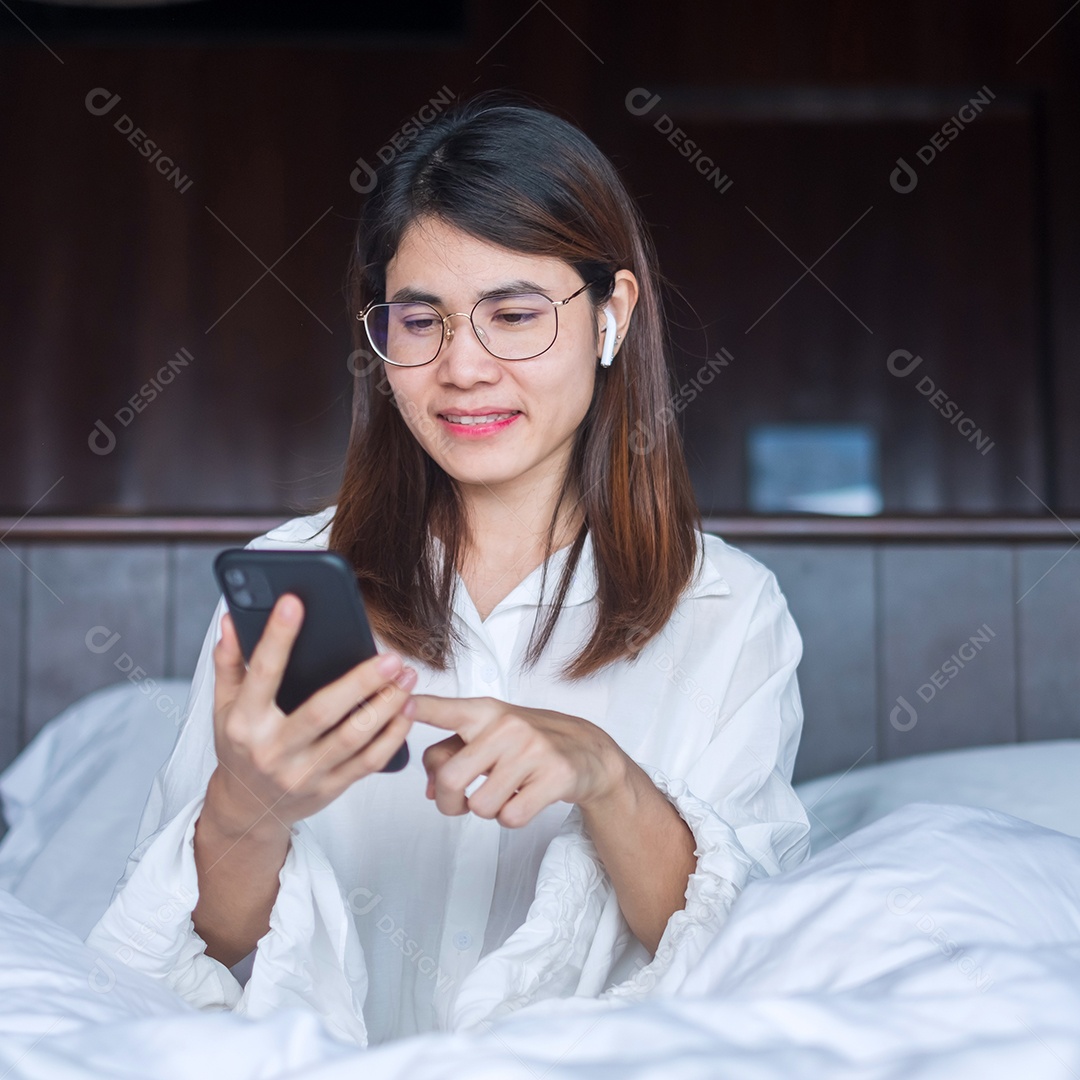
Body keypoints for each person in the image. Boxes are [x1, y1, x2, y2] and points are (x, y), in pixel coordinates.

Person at [86, 91, 811, 1048]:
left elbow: (744, 955)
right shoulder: (296, 579)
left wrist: (603, 776)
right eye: (420, 321)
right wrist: (246, 807)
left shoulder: (726, 611)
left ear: (612, 313)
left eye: (513, 315)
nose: (462, 368)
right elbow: (194, 961)